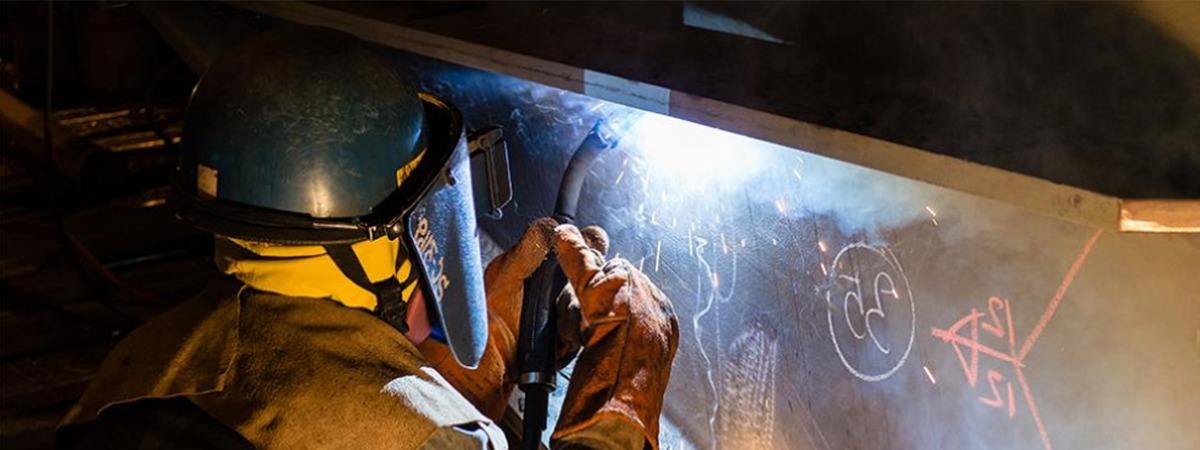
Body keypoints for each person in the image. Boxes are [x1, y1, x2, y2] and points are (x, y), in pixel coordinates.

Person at [56, 28, 679, 450]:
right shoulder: (427, 440)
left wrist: (487, 361)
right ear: (390, 241)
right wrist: (622, 394)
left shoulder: (134, 370)